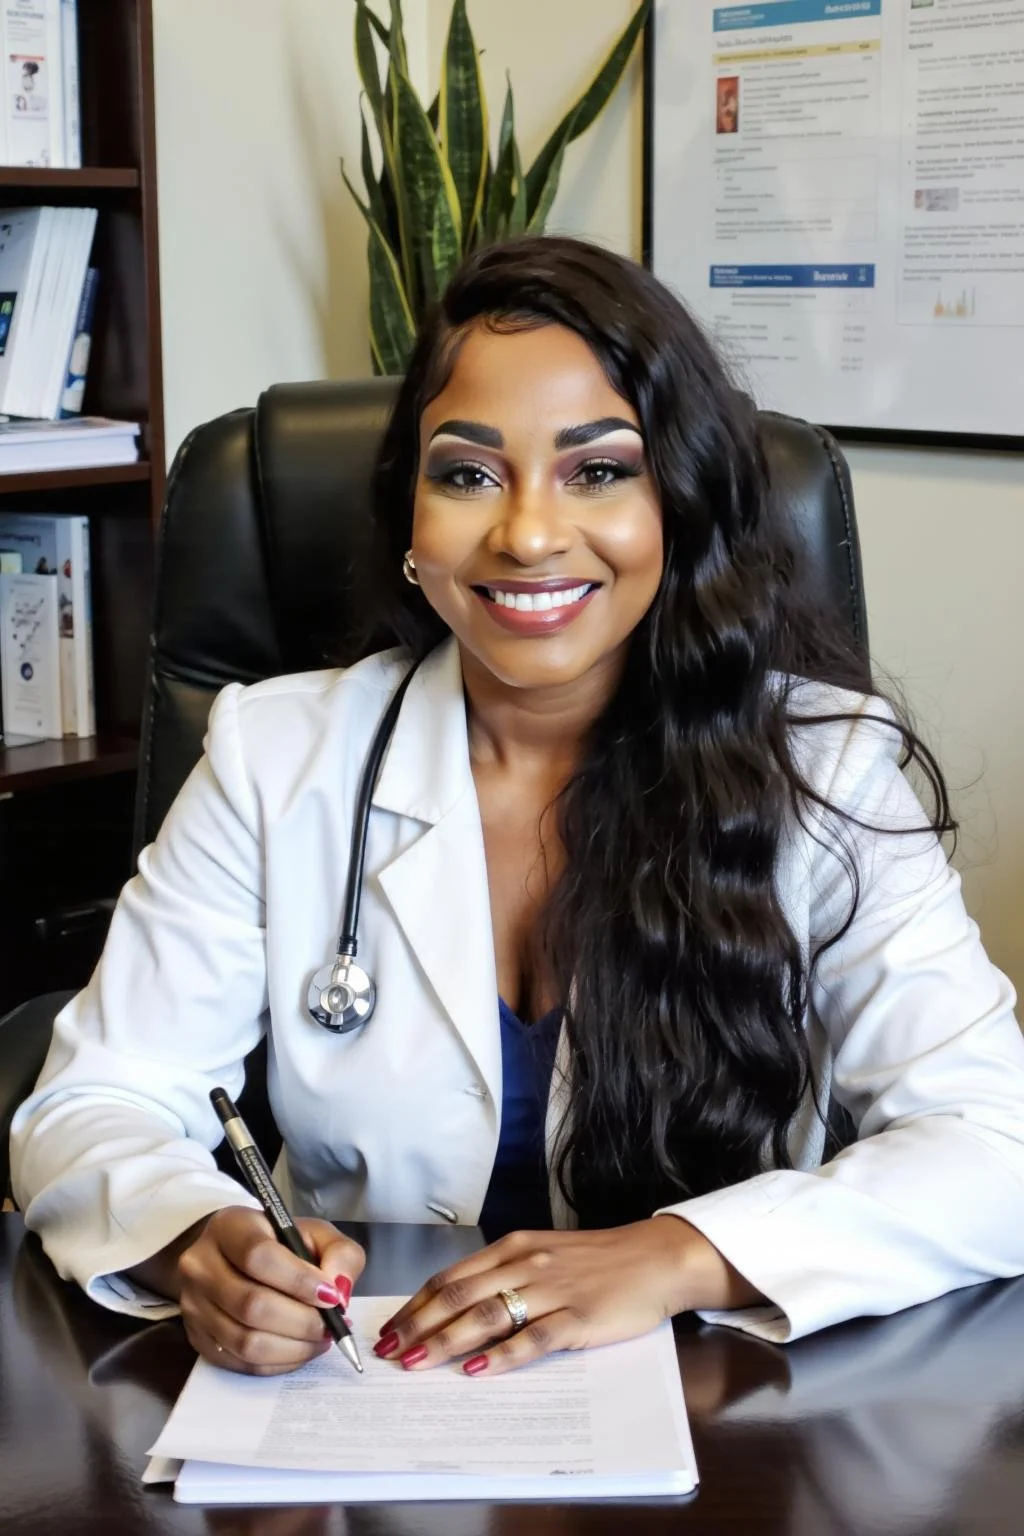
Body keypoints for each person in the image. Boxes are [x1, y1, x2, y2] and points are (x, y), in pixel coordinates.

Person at [11, 236, 1024, 1381]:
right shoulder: (274, 755)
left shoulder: (823, 770)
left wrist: (676, 1254)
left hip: (718, 1411)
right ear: (410, 520)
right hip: (360, 1395)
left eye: (597, 471)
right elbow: (95, 1101)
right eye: (468, 473)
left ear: (678, 506)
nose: (527, 534)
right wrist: (200, 1239)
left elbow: (996, 1144)